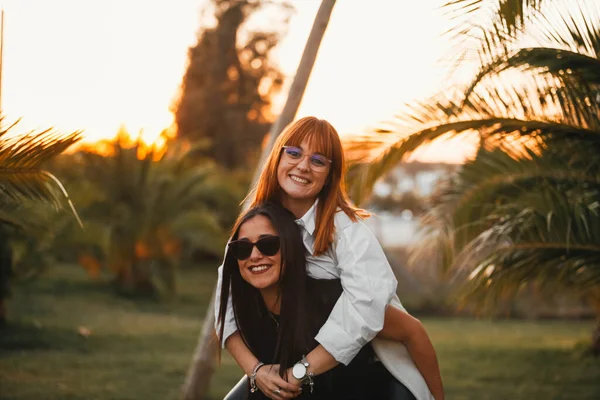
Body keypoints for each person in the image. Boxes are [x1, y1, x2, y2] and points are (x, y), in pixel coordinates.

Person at [215, 116, 444, 400]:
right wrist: (255, 370)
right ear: (277, 157)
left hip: (364, 364)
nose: (303, 165)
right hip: (292, 361)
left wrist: (301, 370)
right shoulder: (256, 225)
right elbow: (226, 306)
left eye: (318, 160)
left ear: (329, 175)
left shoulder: (347, 233)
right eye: (294, 152)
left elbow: (368, 314)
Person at [218, 201, 409, 399]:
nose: (255, 255)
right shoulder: (243, 303)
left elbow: (413, 332)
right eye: (242, 248)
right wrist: (256, 371)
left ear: (289, 246)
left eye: (268, 244)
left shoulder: (330, 297)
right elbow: (224, 324)